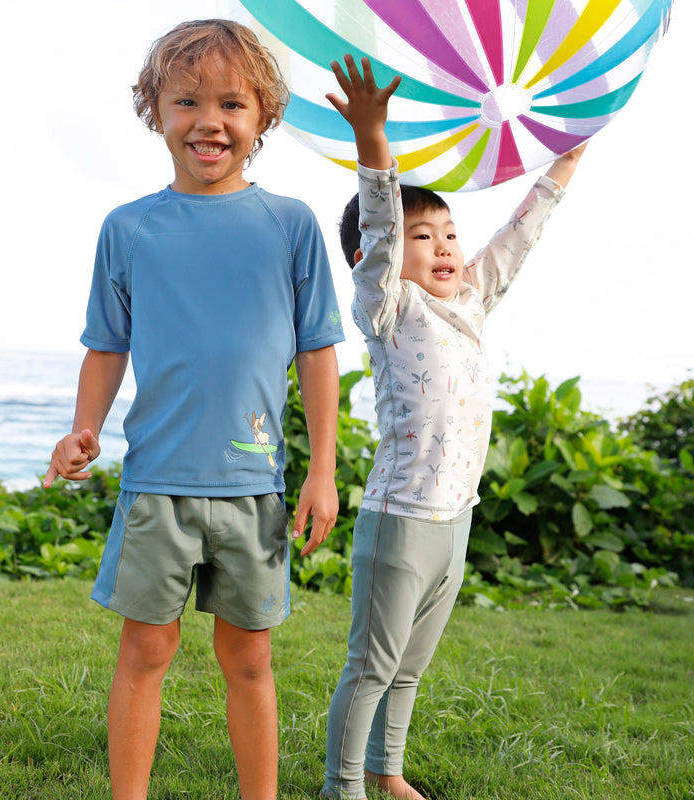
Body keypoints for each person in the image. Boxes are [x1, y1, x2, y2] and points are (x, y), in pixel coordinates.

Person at [43, 19, 345, 800]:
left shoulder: (292, 226)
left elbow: (317, 351)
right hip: (157, 485)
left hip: (253, 485)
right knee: (145, 651)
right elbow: (106, 346)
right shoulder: (130, 228)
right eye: (186, 101)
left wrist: (322, 471)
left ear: (263, 118)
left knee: (249, 658)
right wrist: (86, 429)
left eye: (232, 105)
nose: (209, 121)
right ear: (157, 112)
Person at [320, 55, 585, 800]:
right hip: (400, 520)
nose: (443, 248)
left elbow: (518, 239)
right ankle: (342, 789)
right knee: (371, 664)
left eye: (448, 234)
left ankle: (387, 770)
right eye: (422, 236)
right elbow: (377, 223)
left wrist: (562, 166)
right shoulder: (387, 309)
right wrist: (373, 140)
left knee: (408, 666)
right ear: (376, 260)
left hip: (454, 520)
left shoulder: (468, 302)